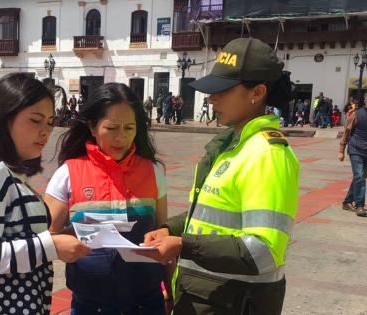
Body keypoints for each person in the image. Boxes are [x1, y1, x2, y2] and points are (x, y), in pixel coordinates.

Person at [138, 38, 299, 315]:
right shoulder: (231, 145)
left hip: (235, 303)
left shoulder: (267, 154)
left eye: (222, 90)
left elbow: (262, 251)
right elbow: (210, 216)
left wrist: (182, 245)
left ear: (257, 92)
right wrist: (172, 229)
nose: (211, 99)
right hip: (207, 299)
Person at [0, 72, 90, 315]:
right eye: (35, 120)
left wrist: (66, 235)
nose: (45, 131)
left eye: (50, 122)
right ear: (4, 118)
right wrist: (51, 246)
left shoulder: (6, 170)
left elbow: (13, 235)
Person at [45, 83, 168, 314]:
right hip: (91, 305)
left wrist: (170, 291)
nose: (121, 137)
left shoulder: (153, 172)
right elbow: (48, 237)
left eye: (129, 127)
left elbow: (164, 233)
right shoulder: (68, 173)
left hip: (147, 302)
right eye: (111, 128)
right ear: (92, 126)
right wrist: (71, 237)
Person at [339, 101, 367, 217]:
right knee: (359, 176)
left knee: (359, 177)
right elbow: (347, 131)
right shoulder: (356, 114)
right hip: (356, 149)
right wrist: (341, 150)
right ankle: (359, 205)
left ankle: (347, 202)